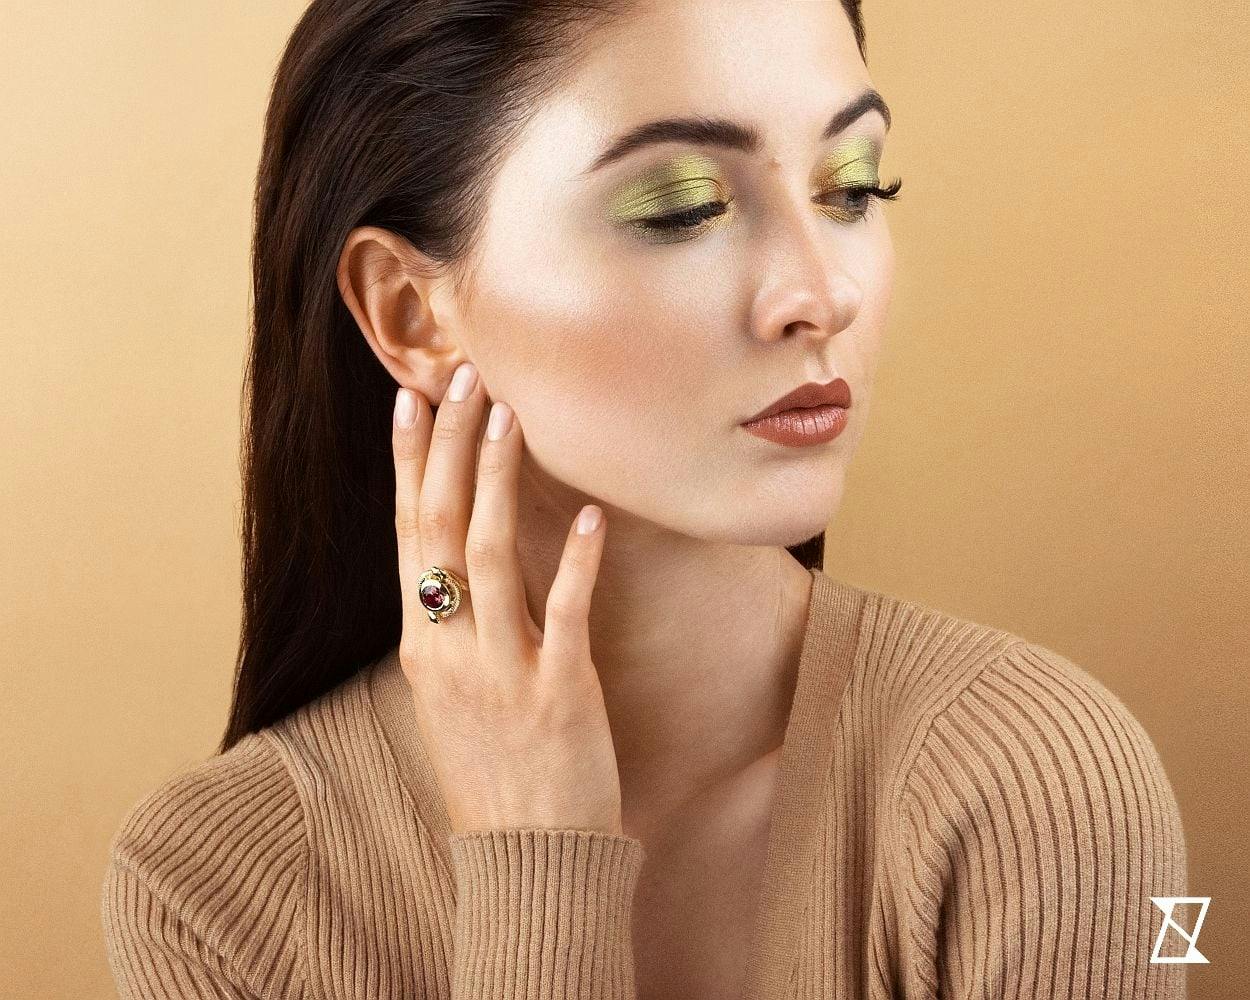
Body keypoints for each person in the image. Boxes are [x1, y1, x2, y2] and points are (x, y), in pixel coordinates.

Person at [101, 2, 1189, 998]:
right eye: (682, 205)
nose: (821, 291)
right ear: (411, 314)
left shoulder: (1040, 780)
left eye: (852, 187)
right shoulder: (212, 890)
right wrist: (537, 863)